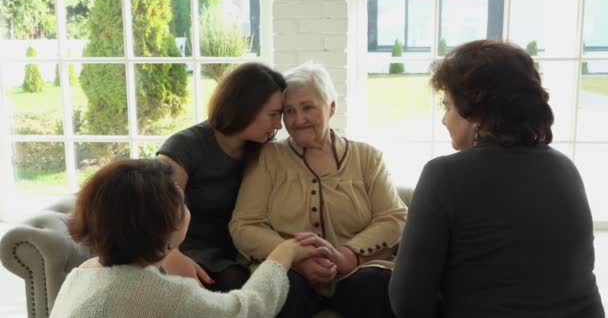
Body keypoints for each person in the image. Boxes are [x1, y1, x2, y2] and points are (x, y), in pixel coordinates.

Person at [389, 40, 605, 318]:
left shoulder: (444, 176)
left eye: (448, 106)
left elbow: (407, 301)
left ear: (475, 111)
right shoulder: (565, 170)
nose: (444, 120)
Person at [229, 62, 407, 318]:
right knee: (283, 286)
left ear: (331, 107)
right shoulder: (268, 158)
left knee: (374, 286)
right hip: (292, 271)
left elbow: (394, 217)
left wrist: (348, 255)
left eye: (308, 107)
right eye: (289, 111)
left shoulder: (367, 157)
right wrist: (294, 257)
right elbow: (244, 224)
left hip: (355, 272)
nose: (298, 119)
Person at [50, 159, 330, 318]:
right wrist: (285, 253)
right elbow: (248, 308)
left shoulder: (81, 275)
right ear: (163, 226)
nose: (187, 209)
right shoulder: (164, 295)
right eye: (182, 203)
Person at [157, 62, 286, 292]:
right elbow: (152, 216)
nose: (279, 124)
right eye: (273, 115)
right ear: (246, 108)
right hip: (186, 251)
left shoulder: (263, 151)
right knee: (235, 281)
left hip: (243, 252)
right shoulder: (185, 147)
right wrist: (171, 257)